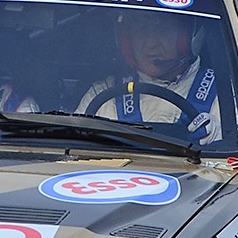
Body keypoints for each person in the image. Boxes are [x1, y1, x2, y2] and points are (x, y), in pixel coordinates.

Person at [79, 12, 225, 143]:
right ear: (126, 39)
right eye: (141, 29)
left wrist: (221, 139)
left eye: (163, 29)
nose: (150, 44)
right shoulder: (102, 95)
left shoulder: (225, 96)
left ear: (188, 37)